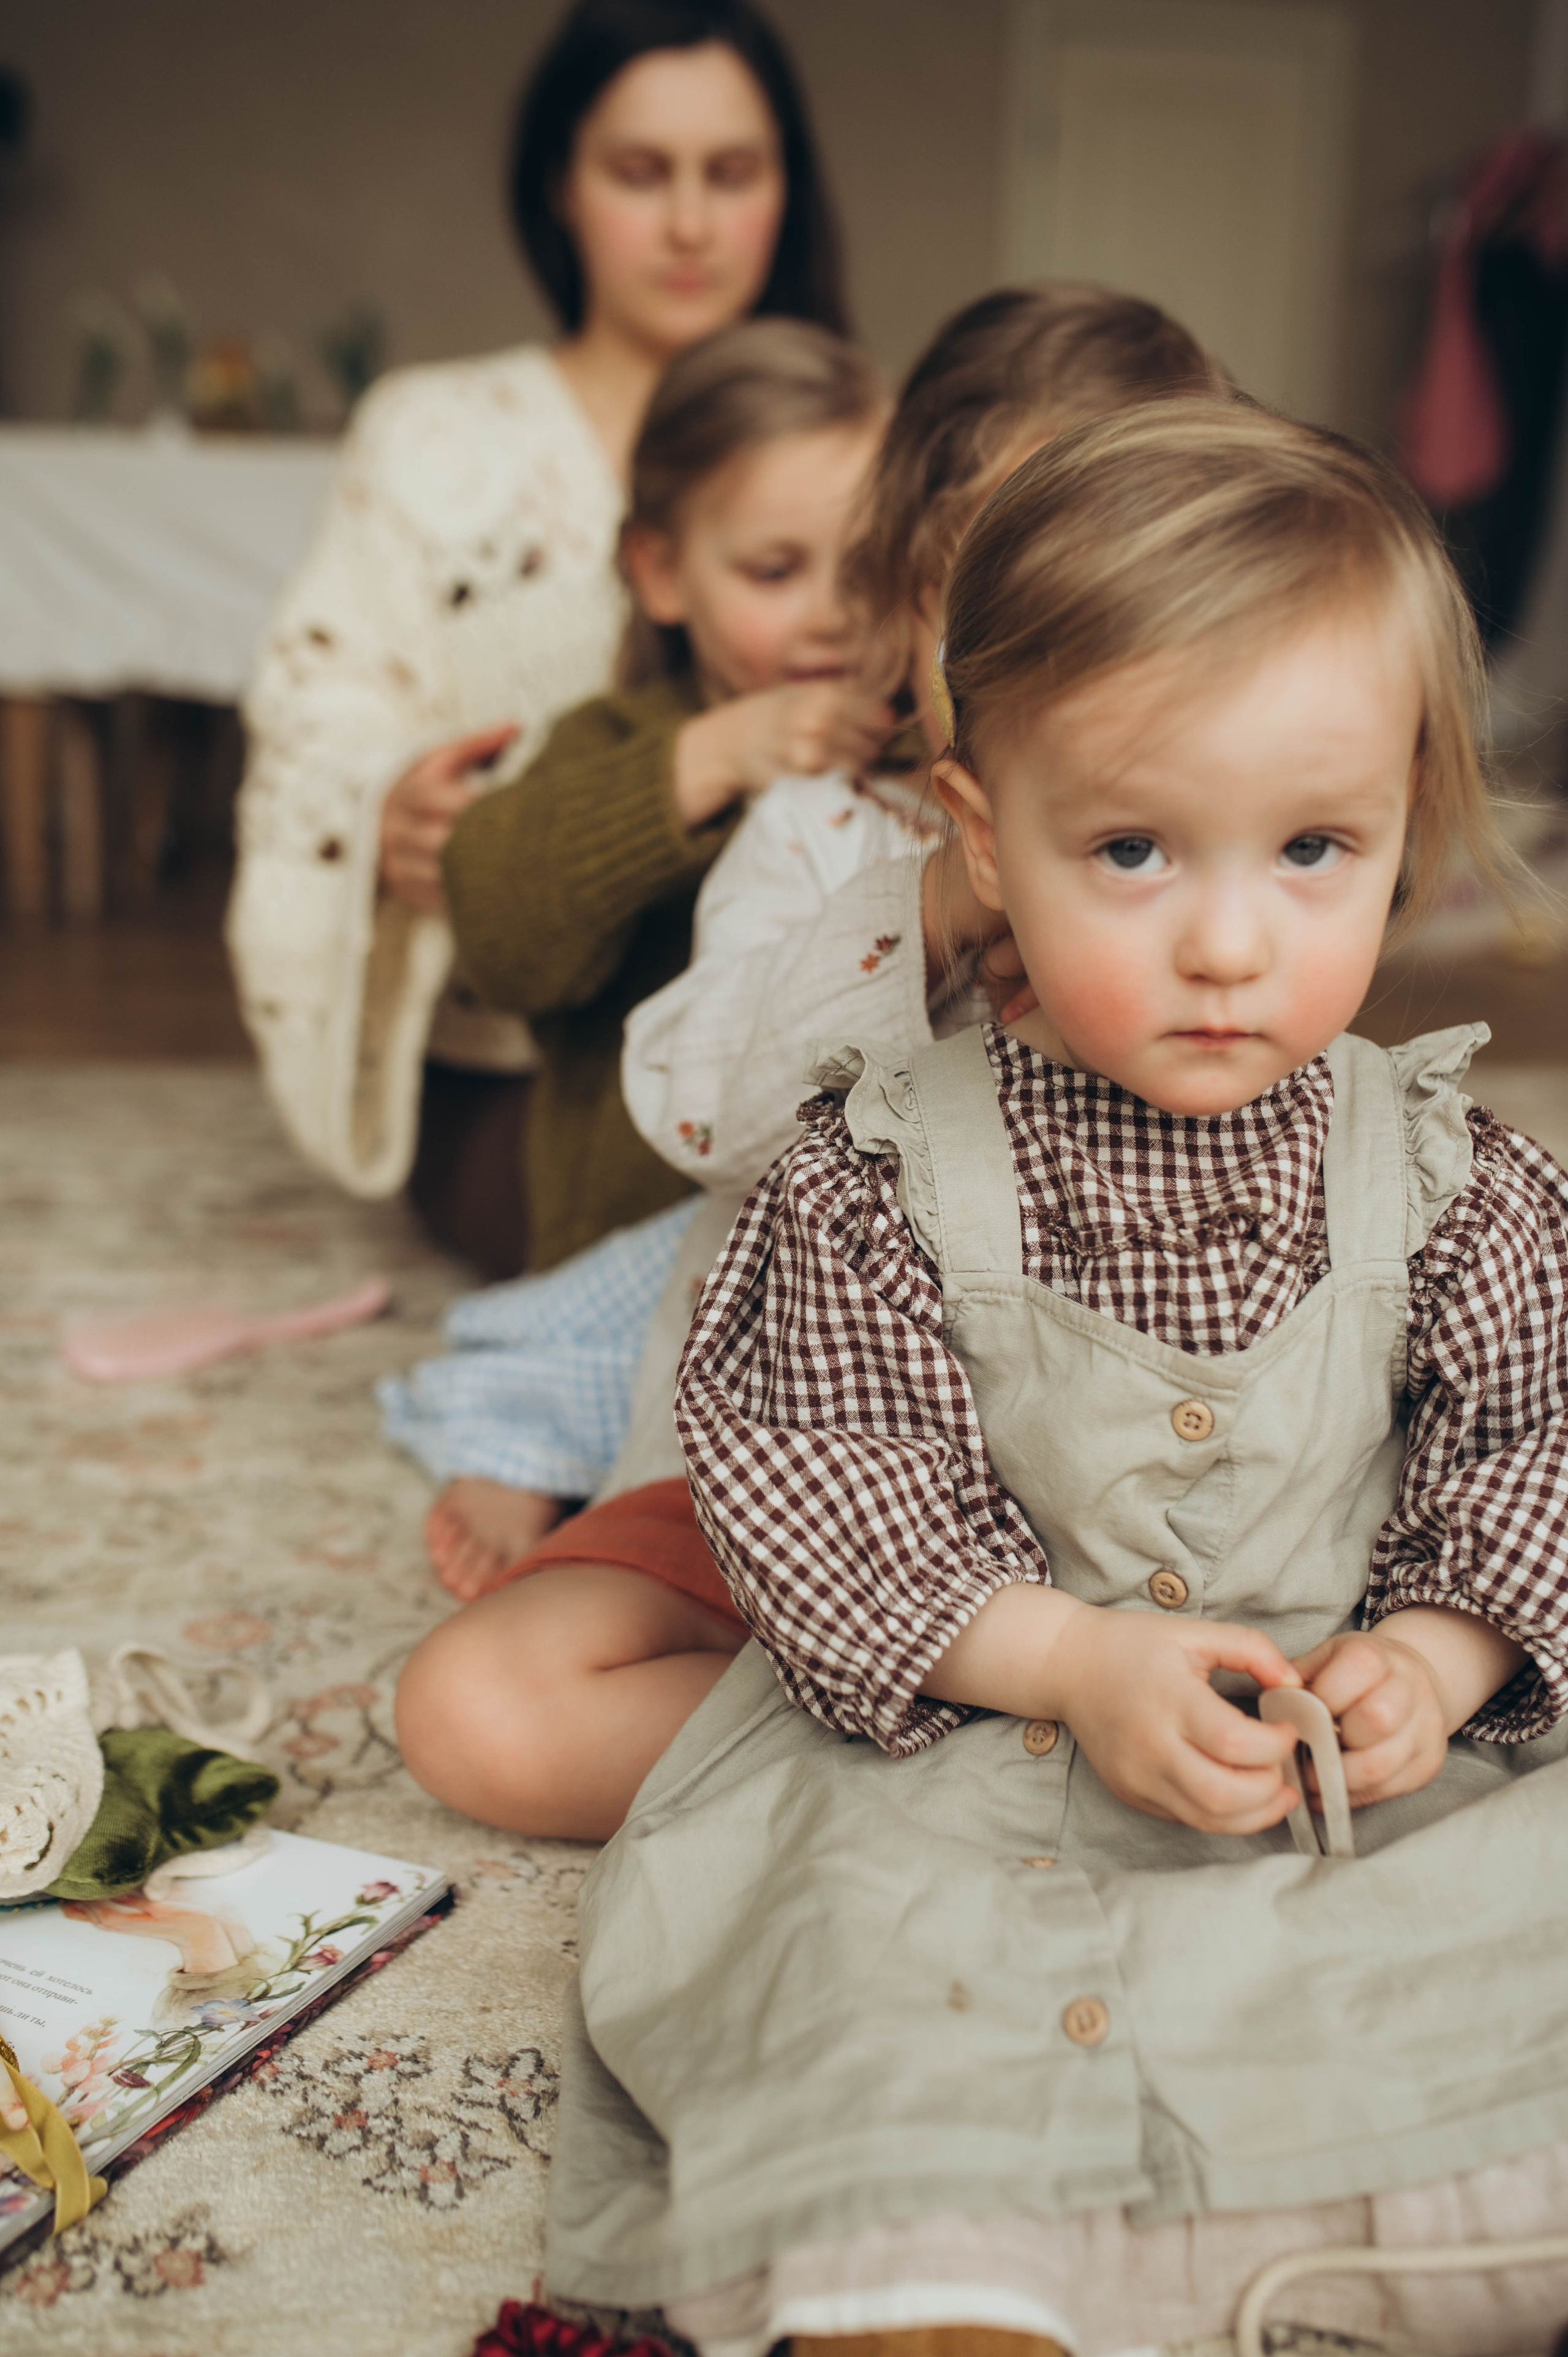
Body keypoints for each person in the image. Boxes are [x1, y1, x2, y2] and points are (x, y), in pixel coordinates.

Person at [541, 404, 1568, 2355]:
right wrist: (1075, 1663)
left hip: (1345, 1770)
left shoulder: (1454, 1177)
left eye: (1315, 850)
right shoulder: (877, 1178)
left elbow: (1543, 1435)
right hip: (970, 1745)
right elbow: (830, 1483)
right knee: (849, 1957)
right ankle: (953, 2285)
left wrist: (1441, 1657)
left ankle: (1408, 2230)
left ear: (1408, 825)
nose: (1228, 942)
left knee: (1507, 1926)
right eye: (1130, 849)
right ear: (980, 834)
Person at [393, 286, 1224, 1830]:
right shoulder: (824, 833)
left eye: (1115, 610)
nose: (1053, 671)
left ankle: (1045, 1708)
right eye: (995, 611)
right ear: (900, 606)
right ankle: (1004, 1739)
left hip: (1090, 1509)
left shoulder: (1217, 878)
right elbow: (693, 1108)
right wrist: (930, 913)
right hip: (805, 1480)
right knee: (477, 1705)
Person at [227, 0, 847, 1277]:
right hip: (523, 1068)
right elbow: (320, 703)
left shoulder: (847, 433)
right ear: (560, 186)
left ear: (785, 188)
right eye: (641, 173)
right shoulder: (434, 435)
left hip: (805, 1039)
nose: (690, 223)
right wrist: (387, 799)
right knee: (705, 1249)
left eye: (732, 173)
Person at [382, 315, 888, 1590]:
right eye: (774, 570)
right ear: (662, 574)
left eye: (872, 565)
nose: (833, 614)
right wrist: (711, 758)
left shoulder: (911, 750)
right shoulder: (613, 740)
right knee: (645, 1414)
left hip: (846, 1235)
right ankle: (526, 1426)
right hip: (637, 1230)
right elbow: (500, 928)